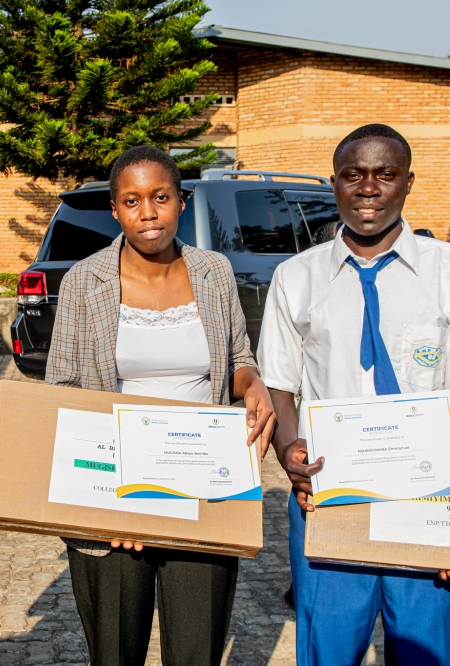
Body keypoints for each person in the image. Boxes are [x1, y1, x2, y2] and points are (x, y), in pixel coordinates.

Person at [258, 124, 450, 666]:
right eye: (353, 175)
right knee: (327, 650)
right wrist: (288, 452)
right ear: (334, 184)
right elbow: (280, 384)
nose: (368, 187)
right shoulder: (296, 277)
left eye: (385, 174)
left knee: (425, 652)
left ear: (408, 183)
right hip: (329, 499)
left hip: (430, 499)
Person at [46, 145, 278, 666]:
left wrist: (255, 384)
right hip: (113, 499)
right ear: (115, 209)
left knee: (197, 652)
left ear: (181, 201)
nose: (148, 212)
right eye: (132, 200)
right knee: (115, 654)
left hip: (202, 492)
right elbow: (62, 391)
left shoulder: (214, 273)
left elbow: (239, 358)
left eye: (161, 197)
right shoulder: (85, 281)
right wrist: (108, 500)